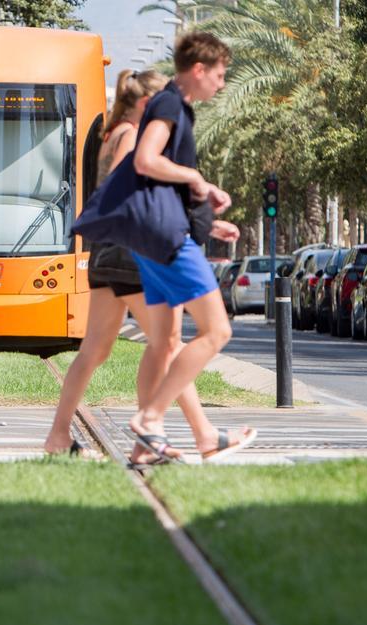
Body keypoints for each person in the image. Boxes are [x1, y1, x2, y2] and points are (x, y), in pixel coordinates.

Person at [45, 70, 249, 463]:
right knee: (167, 343)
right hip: (128, 251)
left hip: (107, 249)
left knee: (97, 349)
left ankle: (61, 434)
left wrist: (205, 223)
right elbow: (137, 194)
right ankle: (194, 434)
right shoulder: (134, 138)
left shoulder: (115, 133)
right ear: (146, 104)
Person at [126, 32, 257, 466]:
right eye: (219, 76)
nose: (221, 85)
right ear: (198, 70)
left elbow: (158, 177)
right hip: (167, 243)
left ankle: (147, 445)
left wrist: (208, 216)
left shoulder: (172, 106)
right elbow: (146, 160)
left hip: (155, 235)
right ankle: (150, 419)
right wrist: (196, 179)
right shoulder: (168, 104)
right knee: (217, 332)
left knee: (164, 344)